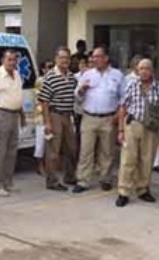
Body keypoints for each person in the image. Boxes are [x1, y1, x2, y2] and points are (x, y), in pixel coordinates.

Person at [117, 58, 159, 207]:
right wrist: (120, 130)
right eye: (141, 69)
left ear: (152, 71)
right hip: (133, 124)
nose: (144, 71)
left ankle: (143, 189)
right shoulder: (131, 86)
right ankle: (124, 191)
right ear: (137, 71)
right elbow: (122, 108)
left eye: (147, 68)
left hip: (151, 128)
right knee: (128, 159)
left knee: (147, 160)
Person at [73, 46, 125, 193]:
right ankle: (83, 180)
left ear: (106, 58)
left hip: (109, 117)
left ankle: (105, 178)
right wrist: (81, 90)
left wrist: (118, 115)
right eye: (93, 57)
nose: (94, 59)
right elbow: (77, 97)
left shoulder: (117, 75)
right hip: (89, 117)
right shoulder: (87, 74)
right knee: (86, 150)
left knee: (107, 151)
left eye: (97, 56)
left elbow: (123, 98)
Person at [38, 47, 78, 192]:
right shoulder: (50, 77)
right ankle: (52, 181)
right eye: (62, 58)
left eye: (67, 58)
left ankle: (70, 176)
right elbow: (44, 101)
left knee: (71, 148)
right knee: (53, 151)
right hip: (54, 115)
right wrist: (47, 122)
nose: (65, 61)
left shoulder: (72, 77)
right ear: (56, 59)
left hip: (68, 115)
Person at [0, 49, 25, 197]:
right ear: (2, 60)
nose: (12, 62)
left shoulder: (17, 74)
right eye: (9, 59)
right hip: (2, 114)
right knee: (0, 152)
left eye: (14, 60)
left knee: (12, 152)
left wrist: (22, 115)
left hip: (15, 114)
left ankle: (7, 183)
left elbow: (18, 96)